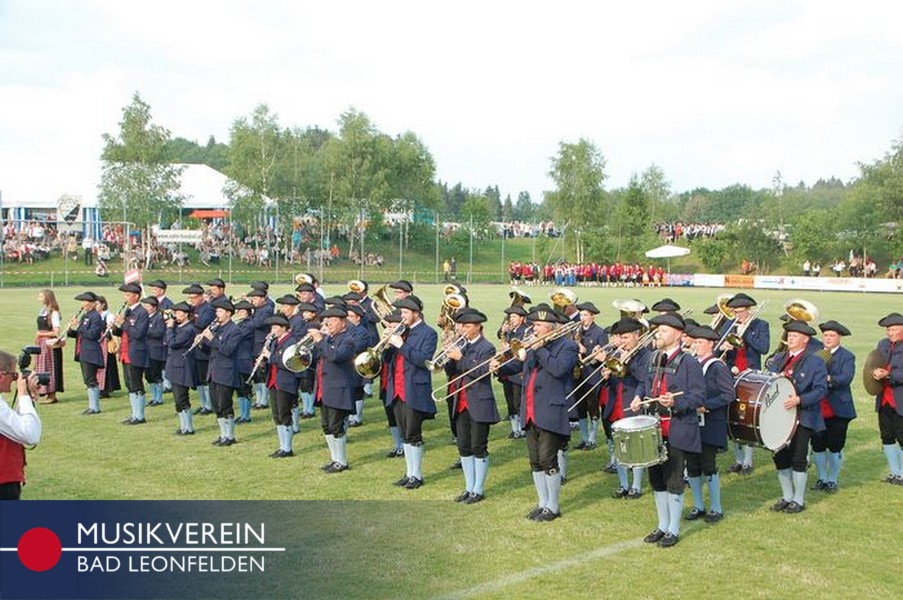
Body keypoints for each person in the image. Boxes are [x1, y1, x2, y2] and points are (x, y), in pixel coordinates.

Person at [494, 304, 577, 521]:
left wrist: (539, 348)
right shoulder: (533, 345)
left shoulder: (567, 346)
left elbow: (558, 369)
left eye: (539, 325)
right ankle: (542, 503)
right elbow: (520, 367)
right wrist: (499, 367)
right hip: (530, 410)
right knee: (535, 461)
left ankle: (553, 506)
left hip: (550, 410)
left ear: (551, 327)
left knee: (548, 459)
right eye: (535, 325)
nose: (535, 329)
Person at [630, 313, 704, 548]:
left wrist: (675, 402)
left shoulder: (689, 362)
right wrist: (638, 396)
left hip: (677, 429)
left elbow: (699, 396)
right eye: (658, 330)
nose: (658, 334)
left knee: (674, 481)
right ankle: (662, 525)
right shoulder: (653, 357)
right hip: (653, 428)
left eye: (663, 330)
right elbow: (643, 383)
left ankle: (673, 528)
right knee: (657, 480)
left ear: (678, 334)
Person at [766, 320, 828, 513]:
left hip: (803, 416)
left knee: (799, 457)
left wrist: (800, 399)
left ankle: (798, 499)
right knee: (780, 457)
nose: (790, 338)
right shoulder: (779, 358)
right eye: (790, 335)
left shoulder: (815, 361)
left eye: (795, 336)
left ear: (805, 339)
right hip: (779, 416)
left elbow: (821, 390)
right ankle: (787, 496)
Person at [384, 296, 438, 490]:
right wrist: (387, 343)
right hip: (397, 390)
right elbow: (387, 360)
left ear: (416, 313)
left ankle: (417, 475)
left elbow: (423, 360)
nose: (402, 316)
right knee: (404, 434)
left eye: (406, 313)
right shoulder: (402, 331)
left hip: (414, 389)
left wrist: (401, 345)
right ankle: (409, 473)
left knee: (413, 434)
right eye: (402, 313)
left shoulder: (429, 333)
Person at [446, 309, 500, 503]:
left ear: (478, 327)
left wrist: (460, 358)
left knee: (478, 446)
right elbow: (452, 372)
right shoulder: (461, 345)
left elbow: (482, 371)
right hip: (460, 402)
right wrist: (448, 357)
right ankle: (469, 487)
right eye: (462, 326)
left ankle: (479, 489)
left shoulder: (487, 347)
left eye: (467, 326)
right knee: (464, 446)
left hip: (479, 402)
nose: (463, 330)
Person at [684, 325, 734, 523]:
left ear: (711, 344)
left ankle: (716, 507)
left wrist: (706, 406)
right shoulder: (691, 364)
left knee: (708, 464)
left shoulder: (717, 366)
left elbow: (729, 394)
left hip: (711, 422)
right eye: (695, 342)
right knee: (692, 465)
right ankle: (698, 505)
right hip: (692, 422)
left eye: (700, 342)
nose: (696, 345)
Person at [719, 292, 770, 475]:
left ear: (749, 310)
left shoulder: (761, 325)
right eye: (735, 312)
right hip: (731, 373)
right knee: (732, 416)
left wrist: (746, 331)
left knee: (745, 416)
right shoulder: (728, 324)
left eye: (740, 312)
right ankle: (738, 460)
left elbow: (764, 348)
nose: (737, 315)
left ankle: (747, 461)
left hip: (750, 375)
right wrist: (723, 347)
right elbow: (717, 348)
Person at [605, 317, 651, 499]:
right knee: (618, 446)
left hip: (632, 403)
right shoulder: (618, 353)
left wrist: (628, 361)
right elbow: (614, 379)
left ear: (636, 336)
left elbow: (644, 378)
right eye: (620, 338)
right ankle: (623, 484)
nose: (622, 341)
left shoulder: (645, 355)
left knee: (635, 446)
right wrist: (607, 376)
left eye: (625, 337)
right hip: (616, 403)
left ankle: (636, 485)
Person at [809, 320, 856, 493]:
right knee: (818, 445)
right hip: (817, 407)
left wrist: (827, 378)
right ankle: (821, 478)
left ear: (839, 338)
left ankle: (832, 480)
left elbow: (846, 378)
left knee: (835, 446)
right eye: (826, 335)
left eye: (832, 335)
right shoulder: (814, 354)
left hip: (838, 409)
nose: (828, 338)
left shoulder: (847, 356)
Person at [309, 306, 357, 473]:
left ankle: (341, 461)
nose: (329, 323)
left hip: (338, 389)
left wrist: (320, 340)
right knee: (326, 426)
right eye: (327, 321)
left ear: (343, 323)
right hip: (324, 388)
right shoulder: (328, 339)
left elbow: (335, 356)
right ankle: (334, 458)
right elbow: (317, 357)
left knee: (336, 426)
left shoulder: (348, 340)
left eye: (333, 320)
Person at [200, 297, 243, 447]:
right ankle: (223, 434)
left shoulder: (235, 330)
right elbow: (211, 350)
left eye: (219, 311)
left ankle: (229, 436)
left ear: (228, 313)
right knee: (216, 405)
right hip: (213, 371)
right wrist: (202, 342)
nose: (217, 314)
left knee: (225, 404)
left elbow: (228, 350)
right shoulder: (217, 328)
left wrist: (212, 339)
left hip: (226, 372)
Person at [0, 351, 42, 500]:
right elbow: (30, 434)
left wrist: (28, 396)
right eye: (13, 375)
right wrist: (23, 395)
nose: (15, 380)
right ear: (1, 376)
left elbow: (13, 425)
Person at [869, 312, 903, 485]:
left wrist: (888, 375)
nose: (890, 333)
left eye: (894, 329)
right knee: (887, 436)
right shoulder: (882, 344)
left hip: (900, 400)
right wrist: (874, 371)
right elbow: (875, 362)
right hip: (884, 400)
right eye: (888, 330)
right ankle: (894, 472)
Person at [572, 301, 609, 451]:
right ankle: (584, 438)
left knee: (592, 407)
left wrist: (585, 350)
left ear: (593, 316)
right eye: (581, 315)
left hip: (592, 375)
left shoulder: (600, 332)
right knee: (580, 407)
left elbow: (603, 356)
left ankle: (592, 439)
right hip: (578, 374)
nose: (582, 318)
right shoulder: (577, 331)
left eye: (586, 315)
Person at [263, 314, 299, 457]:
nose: (273, 330)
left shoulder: (291, 342)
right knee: (277, 415)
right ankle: (281, 446)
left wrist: (270, 357)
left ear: (284, 328)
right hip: (273, 381)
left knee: (284, 414)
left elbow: (288, 362)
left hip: (285, 382)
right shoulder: (274, 342)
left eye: (275, 327)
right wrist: (263, 361)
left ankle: (287, 448)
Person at [113, 283, 150, 425]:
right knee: (129, 384)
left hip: (136, 352)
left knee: (136, 384)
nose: (125, 297)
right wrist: (115, 327)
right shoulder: (128, 311)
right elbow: (124, 332)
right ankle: (134, 414)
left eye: (128, 295)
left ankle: (140, 415)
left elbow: (138, 333)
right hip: (125, 352)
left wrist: (123, 323)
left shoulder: (142, 312)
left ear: (136, 296)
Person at [66, 292, 105, 415]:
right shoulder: (85, 315)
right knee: (88, 379)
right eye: (82, 302)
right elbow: (80, 334)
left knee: (91, 379)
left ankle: (95, 407)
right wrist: (70, 331)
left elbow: (93, 335)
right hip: (83, 351)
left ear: (93, 303)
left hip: (91, 352)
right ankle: (92, 406)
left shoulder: (96, 316)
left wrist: (79, 325)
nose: (83, 304)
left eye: (85, 302)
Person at [165, 302, 197, 435]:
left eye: (178, 313)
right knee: (177, 399)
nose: (175, 315)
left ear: (186, 314)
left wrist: (169, 329)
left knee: (182, 397)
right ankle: (183, 425)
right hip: (174, 365)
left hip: (182, 367)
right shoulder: (179, 327)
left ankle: (188, 427)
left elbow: (173, 343)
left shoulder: (188, 329)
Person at [497, 306, 529, 440]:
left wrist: (508, 349)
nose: (511, 319)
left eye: (514, 317)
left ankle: (522, 428)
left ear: (521, 318)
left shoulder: (525, 331)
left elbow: (521, 352)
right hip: (508, 371)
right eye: (510, 317)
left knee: (518, 401)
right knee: (510, 401)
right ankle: (514, 428)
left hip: (517, 372)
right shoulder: (510, 332)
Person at [184, 284, 215, 415]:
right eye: (190, 298)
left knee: (205, 378)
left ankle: (209, 405)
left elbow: (201, 324)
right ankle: (203, 404)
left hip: (204, 347)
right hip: (195, 347)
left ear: (201, 296)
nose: (192, 300)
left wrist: (189, 320)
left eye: (194, 297)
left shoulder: (208, 309)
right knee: (198, 380)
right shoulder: (194, 308)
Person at [34, 289, 64, 404]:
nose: (39, 299)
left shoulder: (54, 313)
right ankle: (45, 392)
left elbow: (56, 332)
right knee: (42, 368)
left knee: (50, 368)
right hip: (42, 344)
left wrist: (41, 334)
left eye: (41, 296)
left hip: (49, 345)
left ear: (48, 298)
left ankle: (52, 395)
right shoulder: (43, 310)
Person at [246, 287, 274, 410]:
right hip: (255, 343)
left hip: (262, 342)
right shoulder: (258, 309)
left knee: (262, 371)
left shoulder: (267, 309)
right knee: (257, 374)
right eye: (253, 298)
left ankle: (264, 400)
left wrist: (246, 320)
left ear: (263, 299)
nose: (254, 301)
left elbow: (257, 323)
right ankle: (258, 399)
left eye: (256, 298)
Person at [142, 296, 166, 407]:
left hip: (155, 351)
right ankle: (153, 396)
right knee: (148, 376)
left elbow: (159, 333)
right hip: (146, 351)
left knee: (156, 374)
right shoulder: (144, 318)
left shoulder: (158, 318)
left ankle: (159, 398)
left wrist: (145, 331)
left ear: (154, 307)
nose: (145, 308)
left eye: (148, 306)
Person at [96, 296, 121, 399]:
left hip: (106, 343)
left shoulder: (108, 315)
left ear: (103, 305)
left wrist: (116, 343)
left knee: (108, 366)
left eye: (97, 304)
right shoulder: (95, 315)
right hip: (97, 344)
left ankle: (106, 388)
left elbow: (112, 330)